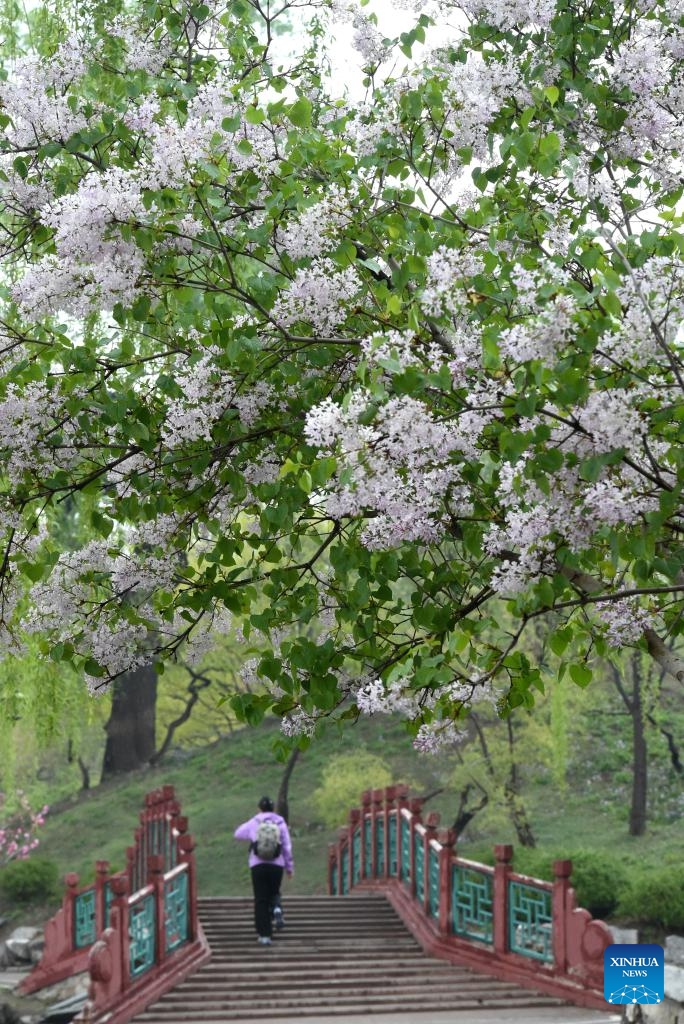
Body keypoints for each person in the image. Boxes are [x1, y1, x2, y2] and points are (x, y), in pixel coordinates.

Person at [234, 795, 294, 946]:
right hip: (277, 865)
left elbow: (238, 834)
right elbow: (287, 847)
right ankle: (277, 909)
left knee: (261, 899)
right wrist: (289, 867)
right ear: (273, 809)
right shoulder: (280, 822)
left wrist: (252, 833)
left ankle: (265, 935)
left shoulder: (254, 822)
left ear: (259, 808)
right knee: (274, 892)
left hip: (258, 865)